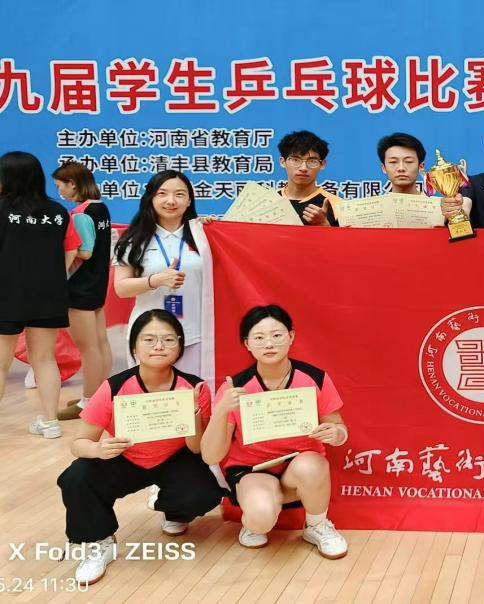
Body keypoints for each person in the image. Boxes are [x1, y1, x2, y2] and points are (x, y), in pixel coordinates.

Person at [56, 310, 223, 585]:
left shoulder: (195, 387)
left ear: (180, 345)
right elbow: (78, 443)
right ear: (134, 346)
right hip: (126, 457)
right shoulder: (114, 387)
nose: (159, 346)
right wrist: (98, 450)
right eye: (149, 339)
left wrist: (192, 413)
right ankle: (99, 541)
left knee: (204, 493)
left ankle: (172, 510)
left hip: (174, 457)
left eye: (168, 339)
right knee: (77, 476)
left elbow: (196, 449)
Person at [201, 305, 349, 558]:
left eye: (277, 335)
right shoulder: (236, 388)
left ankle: (316, 525)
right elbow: (210, 456)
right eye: (259, 337)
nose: (269, 343)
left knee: (312, 465)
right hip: (253, 470)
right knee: (260, 518)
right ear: (247, 344)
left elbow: (340, 428)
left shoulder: (314, 378)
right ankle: (257, 513)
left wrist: (337, 434)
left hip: (299, 468)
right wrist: (222, 410)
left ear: (291, 337)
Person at [0, 151, 81, 438]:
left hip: (6, 294)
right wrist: (49, 278)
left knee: (1, 363)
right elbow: (72, 252)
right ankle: (50, 422)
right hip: (48, 295)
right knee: (45, 359)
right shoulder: (58, 212)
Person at [114, 171, 205, 375]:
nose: (171, 201)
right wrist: (155, 280)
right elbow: (121, 288)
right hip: (147, 336)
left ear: (189, 200)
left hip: (195, 335)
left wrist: (215, 228)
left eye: (179, 194)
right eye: (162, 193)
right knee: (150, 393)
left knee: (193, 391)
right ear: (151, 198)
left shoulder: (204, 237)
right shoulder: (133, 240)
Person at [50, 161, 113, 420]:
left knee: (88, 348)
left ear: (73, 184)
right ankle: (101, 396)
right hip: (97, 285)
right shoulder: (101, 208)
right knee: (100, 342)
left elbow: (85, 251)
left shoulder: (80, 214)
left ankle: (88, 402)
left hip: (79, 287)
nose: (59, 192)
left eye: (60, 186)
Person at [277, 130, 338, 226]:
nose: (303, 168)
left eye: (312, 161)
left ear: (322, 164)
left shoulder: (338, 205)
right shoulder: (266, 202)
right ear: (282, 162)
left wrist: (324, 225)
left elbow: (348, 236)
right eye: (295, 160)